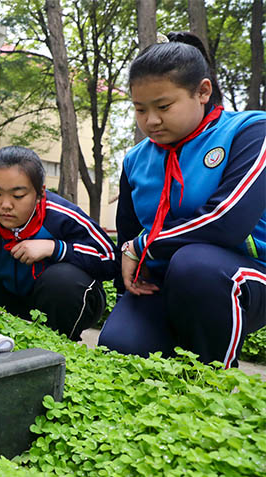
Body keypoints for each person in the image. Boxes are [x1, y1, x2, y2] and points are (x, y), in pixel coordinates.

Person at [98, 32, 266, 368]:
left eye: (163, 107)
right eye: (140, 109)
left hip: (243, 274)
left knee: (195, 265)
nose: (151, 120)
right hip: (165, 281)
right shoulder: (135, 160)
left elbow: (226, 222)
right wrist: (128, 281)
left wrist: (142, 245)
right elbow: (128, 235)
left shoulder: (250, 131)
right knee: (120, 345)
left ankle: (212, 379)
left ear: (202, 92)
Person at [0, 146, 117, 357]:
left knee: (62, 279)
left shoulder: (63, 216)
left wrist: (55, 248)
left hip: (57, 299)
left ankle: (62, 340)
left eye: (18, 195)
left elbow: (109, 257)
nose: (5, 205)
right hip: (10, 299)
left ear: (40, 193)